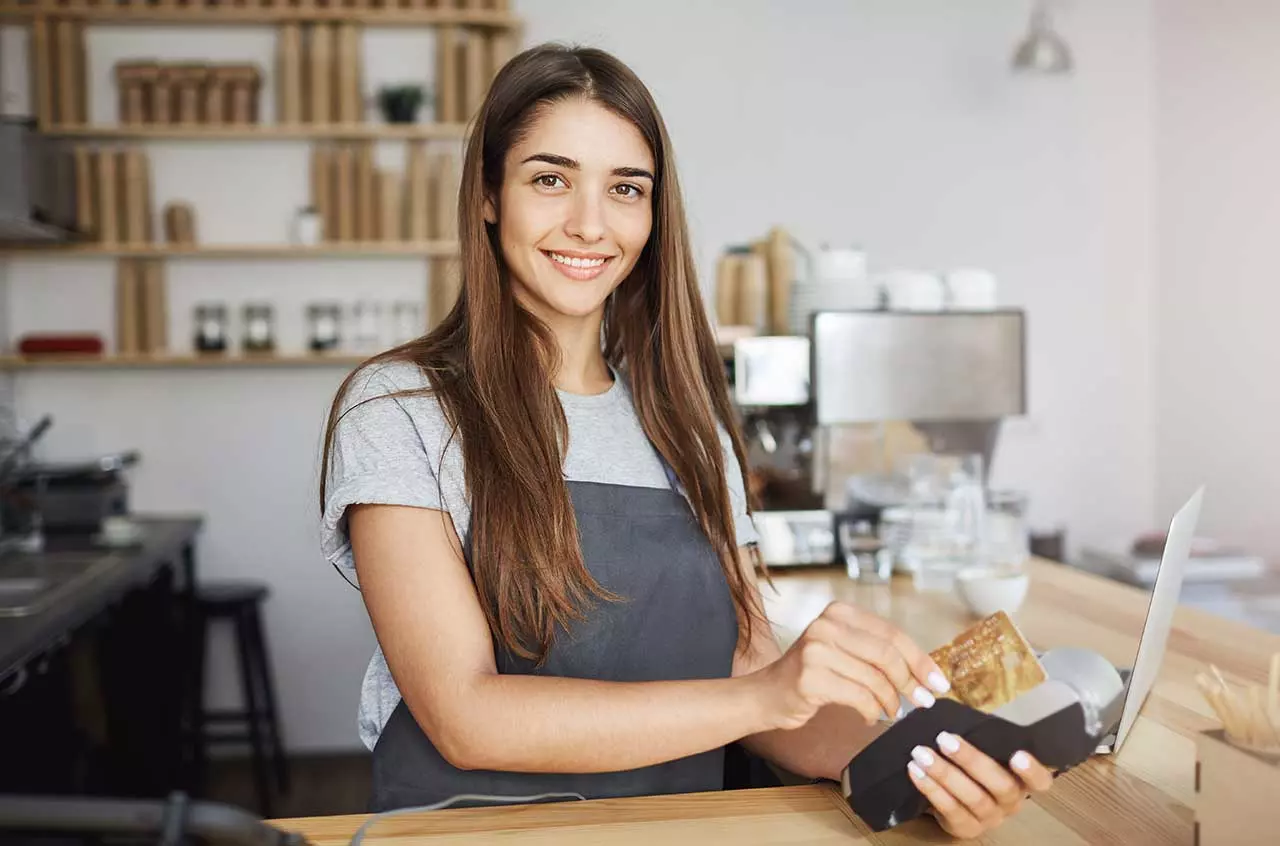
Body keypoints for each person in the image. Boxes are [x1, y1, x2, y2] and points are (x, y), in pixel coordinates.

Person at [318, 43, 1054, 837]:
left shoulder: (687, 423)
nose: (590, 224)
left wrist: (920, 762)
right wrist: (766, 692)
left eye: (625, 189)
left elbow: (745, 672)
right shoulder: (401, 408)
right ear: (491, 194)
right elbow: (465, 716)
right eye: (550, 179)